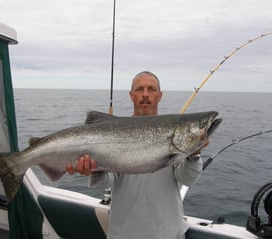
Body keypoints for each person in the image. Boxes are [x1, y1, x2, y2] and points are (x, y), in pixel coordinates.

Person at [67, 71, 207, 239]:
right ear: (131, 95)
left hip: (169, 234)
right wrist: (91, 170)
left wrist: (193, 154)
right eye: (140, 89)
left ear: (160, 95)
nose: (145, 94)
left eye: (151, 89)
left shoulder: (176, 134)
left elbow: (187, 179)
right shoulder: (114, 131)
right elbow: (106, 182)